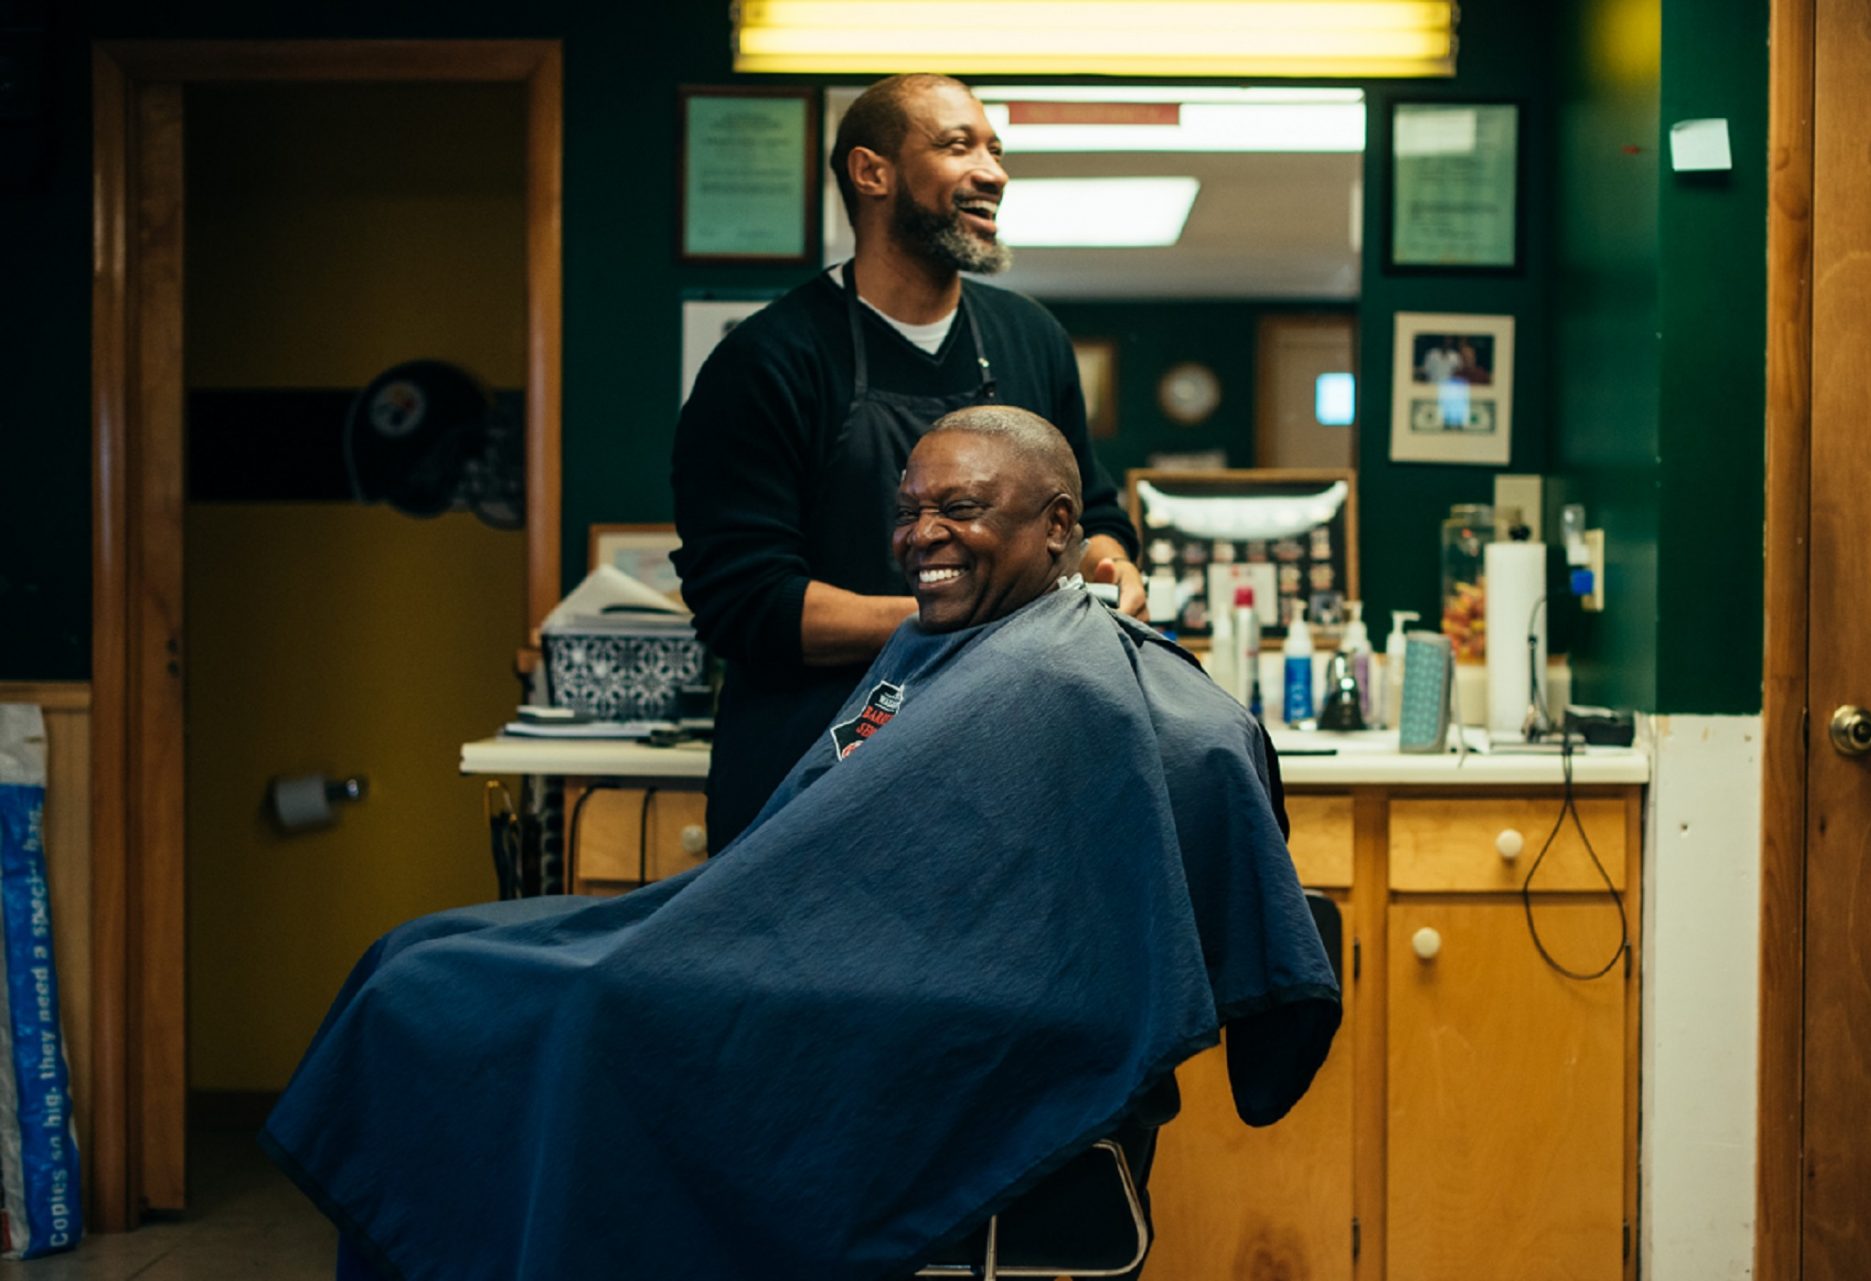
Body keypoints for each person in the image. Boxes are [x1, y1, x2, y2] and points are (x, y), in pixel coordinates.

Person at [267, 407, 1338, 1281]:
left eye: (960, 508)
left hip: (878, 1003)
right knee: (410, 961)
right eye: (909, 508)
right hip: (787, 948)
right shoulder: (945, 648)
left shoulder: (1066, 675)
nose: (921, 533)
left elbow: (1183, 793)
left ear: (1061, 526)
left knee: (466, 1000)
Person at [671, 72, 1147, 853]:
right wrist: (978, 618)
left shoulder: (1031, 339)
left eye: (995, 149)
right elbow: (748, 600)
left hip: (1008, 767)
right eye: (959, 145)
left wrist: (1107, 566)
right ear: (872, 172)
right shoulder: (768, 361)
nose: (993, 170)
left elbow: (1090, 514)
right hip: (813, 774)